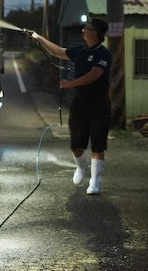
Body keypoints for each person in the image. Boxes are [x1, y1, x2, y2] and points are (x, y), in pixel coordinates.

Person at [32, 17, 112, 194]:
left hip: (98, 104)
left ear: (95, 33)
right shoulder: (80, 50)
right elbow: (59, 52)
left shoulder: (103, 54)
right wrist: (39, 38)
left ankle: (95, 182)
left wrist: (71, 84)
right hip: (80, 103)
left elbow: (94, 74)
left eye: (87, 28)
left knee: (98, 144)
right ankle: (81, 167)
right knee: (76, 144)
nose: (83, 29)